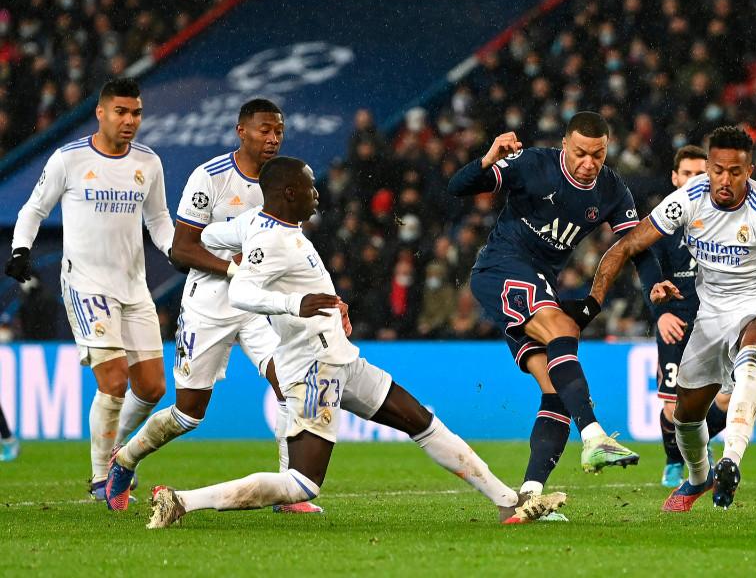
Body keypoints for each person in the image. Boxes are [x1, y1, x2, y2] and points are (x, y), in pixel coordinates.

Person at [148, 157, 565, 528]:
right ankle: (182, 501)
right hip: (313, 368)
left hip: (340, 358)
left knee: (421, 421)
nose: (317, 193)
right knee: (301, 484)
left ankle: (507, 502)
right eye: (310, 186)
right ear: (288, 193)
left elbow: (208, 236)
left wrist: (325, 302)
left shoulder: (257, 222)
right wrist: (295, 302)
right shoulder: (272, 240)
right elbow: (241, 292)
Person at [582, 126, 756, 511]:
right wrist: (592, 302)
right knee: (686, 414)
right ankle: (699, 478)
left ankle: (731, 460)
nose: (725, 180)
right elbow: (627, 246)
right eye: (718, 170)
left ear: (749, 171)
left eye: (735, 172)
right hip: (711, 312)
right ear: (709, 167)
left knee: (752, 354)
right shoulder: (687, 200)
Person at [106, 100, 318, 514]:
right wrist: (233, 269)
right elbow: (181, 249)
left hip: (259, 307)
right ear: (242, 131)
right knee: (189, 414)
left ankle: (288, 492)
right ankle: (125, 460)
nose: (273, 138)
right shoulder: (211, 177)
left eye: (278, 131)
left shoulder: (287, 180)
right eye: (264, 130)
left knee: (290, 386)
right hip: (210, 305)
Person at [447, 112, 661, 507]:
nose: (589, 163)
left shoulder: (613, 190)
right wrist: (489, 158)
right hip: (501, 267)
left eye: (597, 155)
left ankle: (529, 496)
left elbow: (634, 247)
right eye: (580, 153)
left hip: (539, 280)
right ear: (565, 145)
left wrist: (655, 287)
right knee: (564, 329)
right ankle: (594, 437)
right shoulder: (533, 164)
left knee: (558, 389)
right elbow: (457, 186)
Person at [5, 77, 174, 500]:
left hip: (134, 285)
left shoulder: (149, 162)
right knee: (114, 380)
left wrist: (176, 249)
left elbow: (158, 220)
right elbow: (33, 209)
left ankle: (116, 452)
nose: (130, 120)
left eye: (136, 112)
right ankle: (102, 478)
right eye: (121, 112)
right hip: (86, 283)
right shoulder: (70, 159)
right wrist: (21, 250)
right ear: (100, 113)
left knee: (152, 387)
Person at [647, 145, 728, 488]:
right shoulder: (662, 223)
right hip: (676, 322)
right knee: (672, 407)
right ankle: (673, 462)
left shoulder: (725, 215)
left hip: (716, 322)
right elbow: (648, 275)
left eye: (700, 174)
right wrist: (659, 315)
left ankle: (698, 442)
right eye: (687, 174)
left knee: (726, 399)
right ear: (675, 178)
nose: (694, 180)